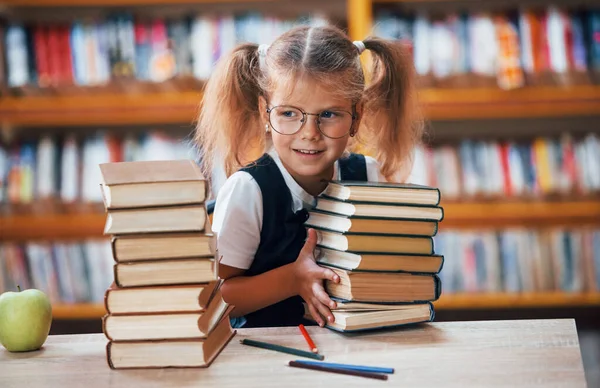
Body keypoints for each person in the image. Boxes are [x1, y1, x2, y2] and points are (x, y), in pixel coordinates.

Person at [195, 25, 423, 329]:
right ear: (266, 113)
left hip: (353, 349)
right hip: (264, 355)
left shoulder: (368, 175)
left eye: (329, 114)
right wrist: (293, 279)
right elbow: (215, 298)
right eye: (289, 113)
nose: (310, 134)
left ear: (357, 117)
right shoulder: (248, 191)